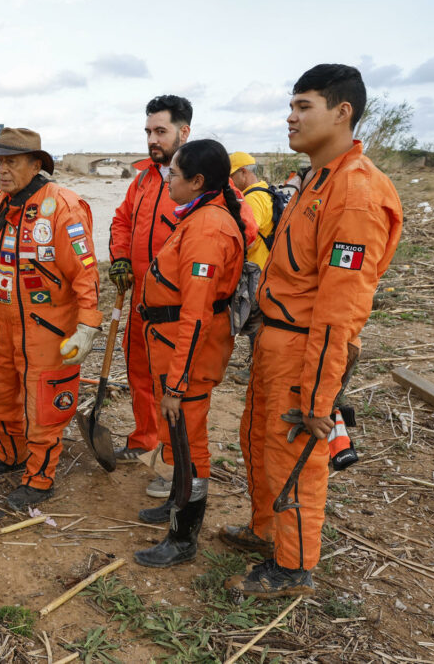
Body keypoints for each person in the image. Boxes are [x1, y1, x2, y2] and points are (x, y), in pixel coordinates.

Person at [224, 64, 402, 597]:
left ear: (342, 111)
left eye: (304, 106)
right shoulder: (316, 180)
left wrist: (320, 395)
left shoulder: (355, 194)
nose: (291, 116)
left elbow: (340, 308)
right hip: (275, 338)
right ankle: (266, 530)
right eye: (292, 105)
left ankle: (293, 565)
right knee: (257, 439)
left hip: (306, 347)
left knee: (295, 454)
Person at [0, 128, 101, 510]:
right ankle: (12, 454)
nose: (1, 168)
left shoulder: (62, 206)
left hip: (50, 330)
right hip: (7, 325)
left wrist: (88, 327)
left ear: (35, 164)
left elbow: (85, 273)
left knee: (42, 408)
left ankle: (40, 479)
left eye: (10, 161)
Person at [131, 139, 246, 566]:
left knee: (189, 443)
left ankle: (183, 537)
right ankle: (176, 502)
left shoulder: (208, 229)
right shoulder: (197, 217)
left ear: (197, 181)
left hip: (187, 358)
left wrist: (177, 384)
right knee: (175, 438)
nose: (167, 180)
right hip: (170, 349)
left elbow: (196, 314)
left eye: (173, 175)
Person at [108, 95, 192, 495]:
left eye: (161, 131)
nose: (152, 139)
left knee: (172, 385)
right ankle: (144, 439)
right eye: (148, 132)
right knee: (139, 374)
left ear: (183, 131)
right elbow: (122, 219)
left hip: (176, 307)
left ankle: (176, 468)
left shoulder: (200, 176)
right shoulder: (143, 178)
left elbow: (237, 230)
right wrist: (120, 258)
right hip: (140, 299)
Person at [228, 152, 274, 384]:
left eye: (231, 177)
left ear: (243, 173)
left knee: (256, 323)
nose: (230, 183)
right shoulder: (265, 190)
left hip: (258, 269)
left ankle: (258, 371)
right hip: (266, 268)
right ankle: (259, 366)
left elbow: (250, 237)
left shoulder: (253, 199)